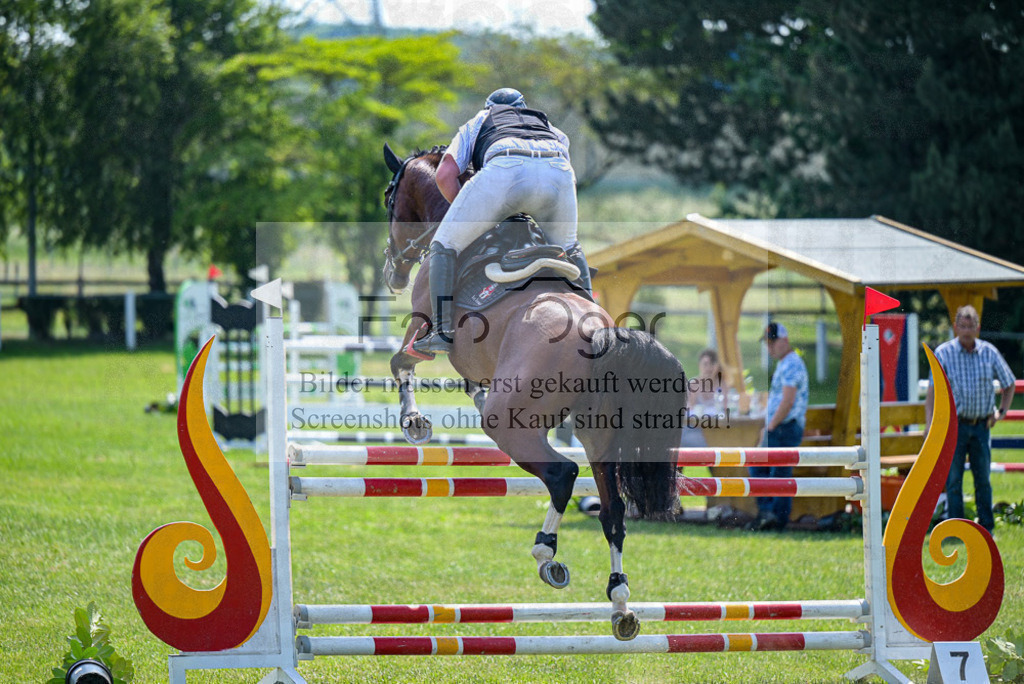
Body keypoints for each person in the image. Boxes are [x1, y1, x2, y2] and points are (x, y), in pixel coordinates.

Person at [413, 87, 589, 355]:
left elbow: (445, 174)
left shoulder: (479, 120)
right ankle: (594, 319)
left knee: (443, 245)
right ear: (523, 107)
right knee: (570, 247)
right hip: (557, 171)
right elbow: (563, 166)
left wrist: (467, 215)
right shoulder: (547, 125)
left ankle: (442, 331)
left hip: (505, 171)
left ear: (488, 108)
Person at [925, 305, 1015, 532]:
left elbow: (1009, 383)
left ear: (978, 328)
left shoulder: (989, 352)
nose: (966, 331)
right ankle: (956, 528)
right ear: (955, 327)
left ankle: (986, 529)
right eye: (962, 326)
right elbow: (932, 392)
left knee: (982, 480)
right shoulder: (944, 353)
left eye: (970, 326)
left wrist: (1001, 412)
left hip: (982, 425)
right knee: (953, 480)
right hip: (954, 426)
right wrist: (930, 425)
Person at [747, 322, 809, 531]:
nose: (769, 347)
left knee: (776, 472)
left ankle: (774, 517)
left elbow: (787, 400)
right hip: (781, 426)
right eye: (767, 343)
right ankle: (770, 514)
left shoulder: (791, 364)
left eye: (772, 342)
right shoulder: (787, 363)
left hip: (783, 427)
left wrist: (771, 426)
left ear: (785, 340)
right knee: (770, 470)